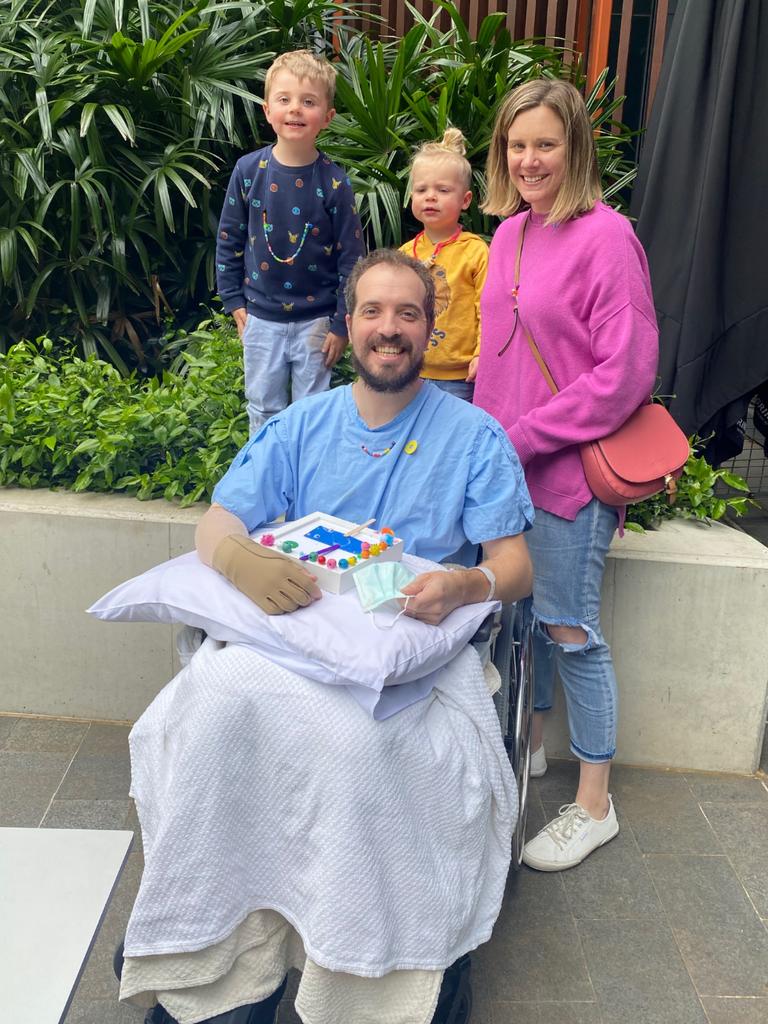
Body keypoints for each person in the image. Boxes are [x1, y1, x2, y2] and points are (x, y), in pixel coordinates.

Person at [118, 250, 534, 1024]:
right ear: (349, 325)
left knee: (355, 753)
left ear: (429, 329)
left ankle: (359, 967)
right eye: (373, 312)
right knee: (208, 712)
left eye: (407, 314)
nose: (389, 328)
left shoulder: (474, 438)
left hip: (406, 645)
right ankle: (217, 954)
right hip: (295, 635)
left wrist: (465, 583)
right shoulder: (303, 424)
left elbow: (514, 565)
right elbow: (222, 518)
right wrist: (238, 561)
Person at [473, 80, 659, 872]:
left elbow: (626, 372)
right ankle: (534, 748)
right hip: (507, 472)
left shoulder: (609, 237)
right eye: (517, 145)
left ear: (575, 148)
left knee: (570, 630)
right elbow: (495, 358)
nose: (529, 160)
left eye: (545, 144)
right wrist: (481, 445)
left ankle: (595, 803)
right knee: (526, 624)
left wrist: (521, 435)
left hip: (568, 479)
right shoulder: (509, 233)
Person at [215, 50, 365, 434]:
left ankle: (307, 487)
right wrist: (233, 300)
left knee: (311, 412)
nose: (295, 109)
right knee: (263, 407)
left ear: (327, 117)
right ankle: (265, 485)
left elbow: (352, 260)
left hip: (316, 321)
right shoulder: (248, 171)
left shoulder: (335, 183)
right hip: (260, 318)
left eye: (309, 101)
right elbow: (229, 238)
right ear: (267, 110)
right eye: (284, 99)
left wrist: (340, 324)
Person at [398, 128, 488, 402]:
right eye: (421, 189)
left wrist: (481, 354)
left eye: (443, 190)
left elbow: (487, 309)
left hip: (460, 378)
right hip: (410, 370)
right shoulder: (404, 254)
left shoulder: (475, 251)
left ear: (465, 200)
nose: (430, 196)